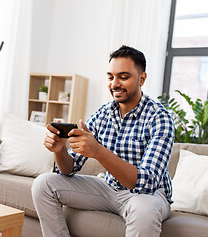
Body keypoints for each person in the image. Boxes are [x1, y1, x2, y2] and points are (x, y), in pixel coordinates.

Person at [31, 45, 175, 237]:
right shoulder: (103, 113)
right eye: (110, 77)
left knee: (144, 211)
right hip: (108, 189)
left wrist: (98, 151)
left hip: (147, 195)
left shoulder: (160, 118)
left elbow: (145, 183)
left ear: (142, 79)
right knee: (43, 184)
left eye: (123, 77)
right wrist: (60, 150)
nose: (115, 84)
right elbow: (68, 169)